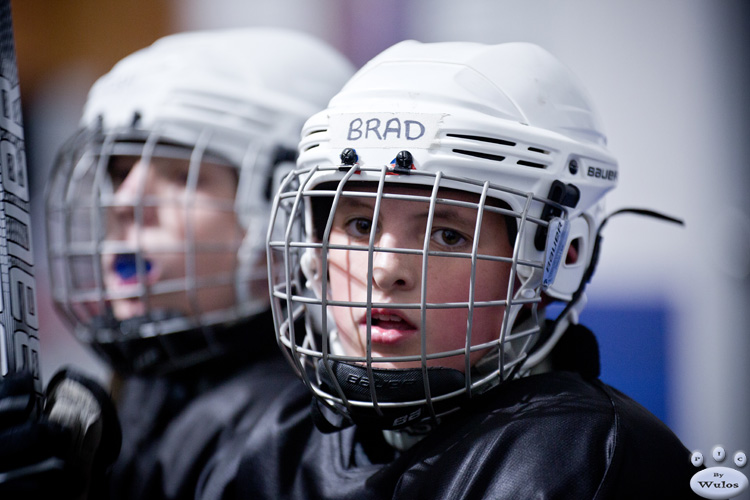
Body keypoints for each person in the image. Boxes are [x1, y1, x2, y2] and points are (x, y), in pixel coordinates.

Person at [212, 40, 701, 499]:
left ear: (559, 257)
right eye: (360, 224)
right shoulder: (274, 445)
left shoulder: (581, 459)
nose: (385, 272)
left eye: (446, 235)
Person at [0, 28, 353, 499]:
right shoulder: (153, 386)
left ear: (295, 210)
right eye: (120, 172)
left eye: (183, 175)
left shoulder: (295, 437)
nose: (124, 203)